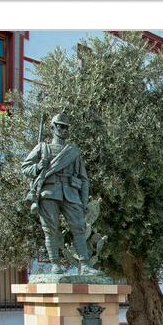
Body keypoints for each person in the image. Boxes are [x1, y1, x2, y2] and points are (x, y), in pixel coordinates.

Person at [22, 112, 96, 274]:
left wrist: (83, 202)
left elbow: (84, 179)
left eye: (66, 127)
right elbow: (25, 168)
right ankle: (55, 264)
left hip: (70, 193)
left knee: (79, 228)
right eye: (60, 126)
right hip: (49, 192)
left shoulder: (73, 152)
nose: (63, 130)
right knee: (50, 229)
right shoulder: (43, 148)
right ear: (53, 127)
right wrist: (39, 167)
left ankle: (85, 265)